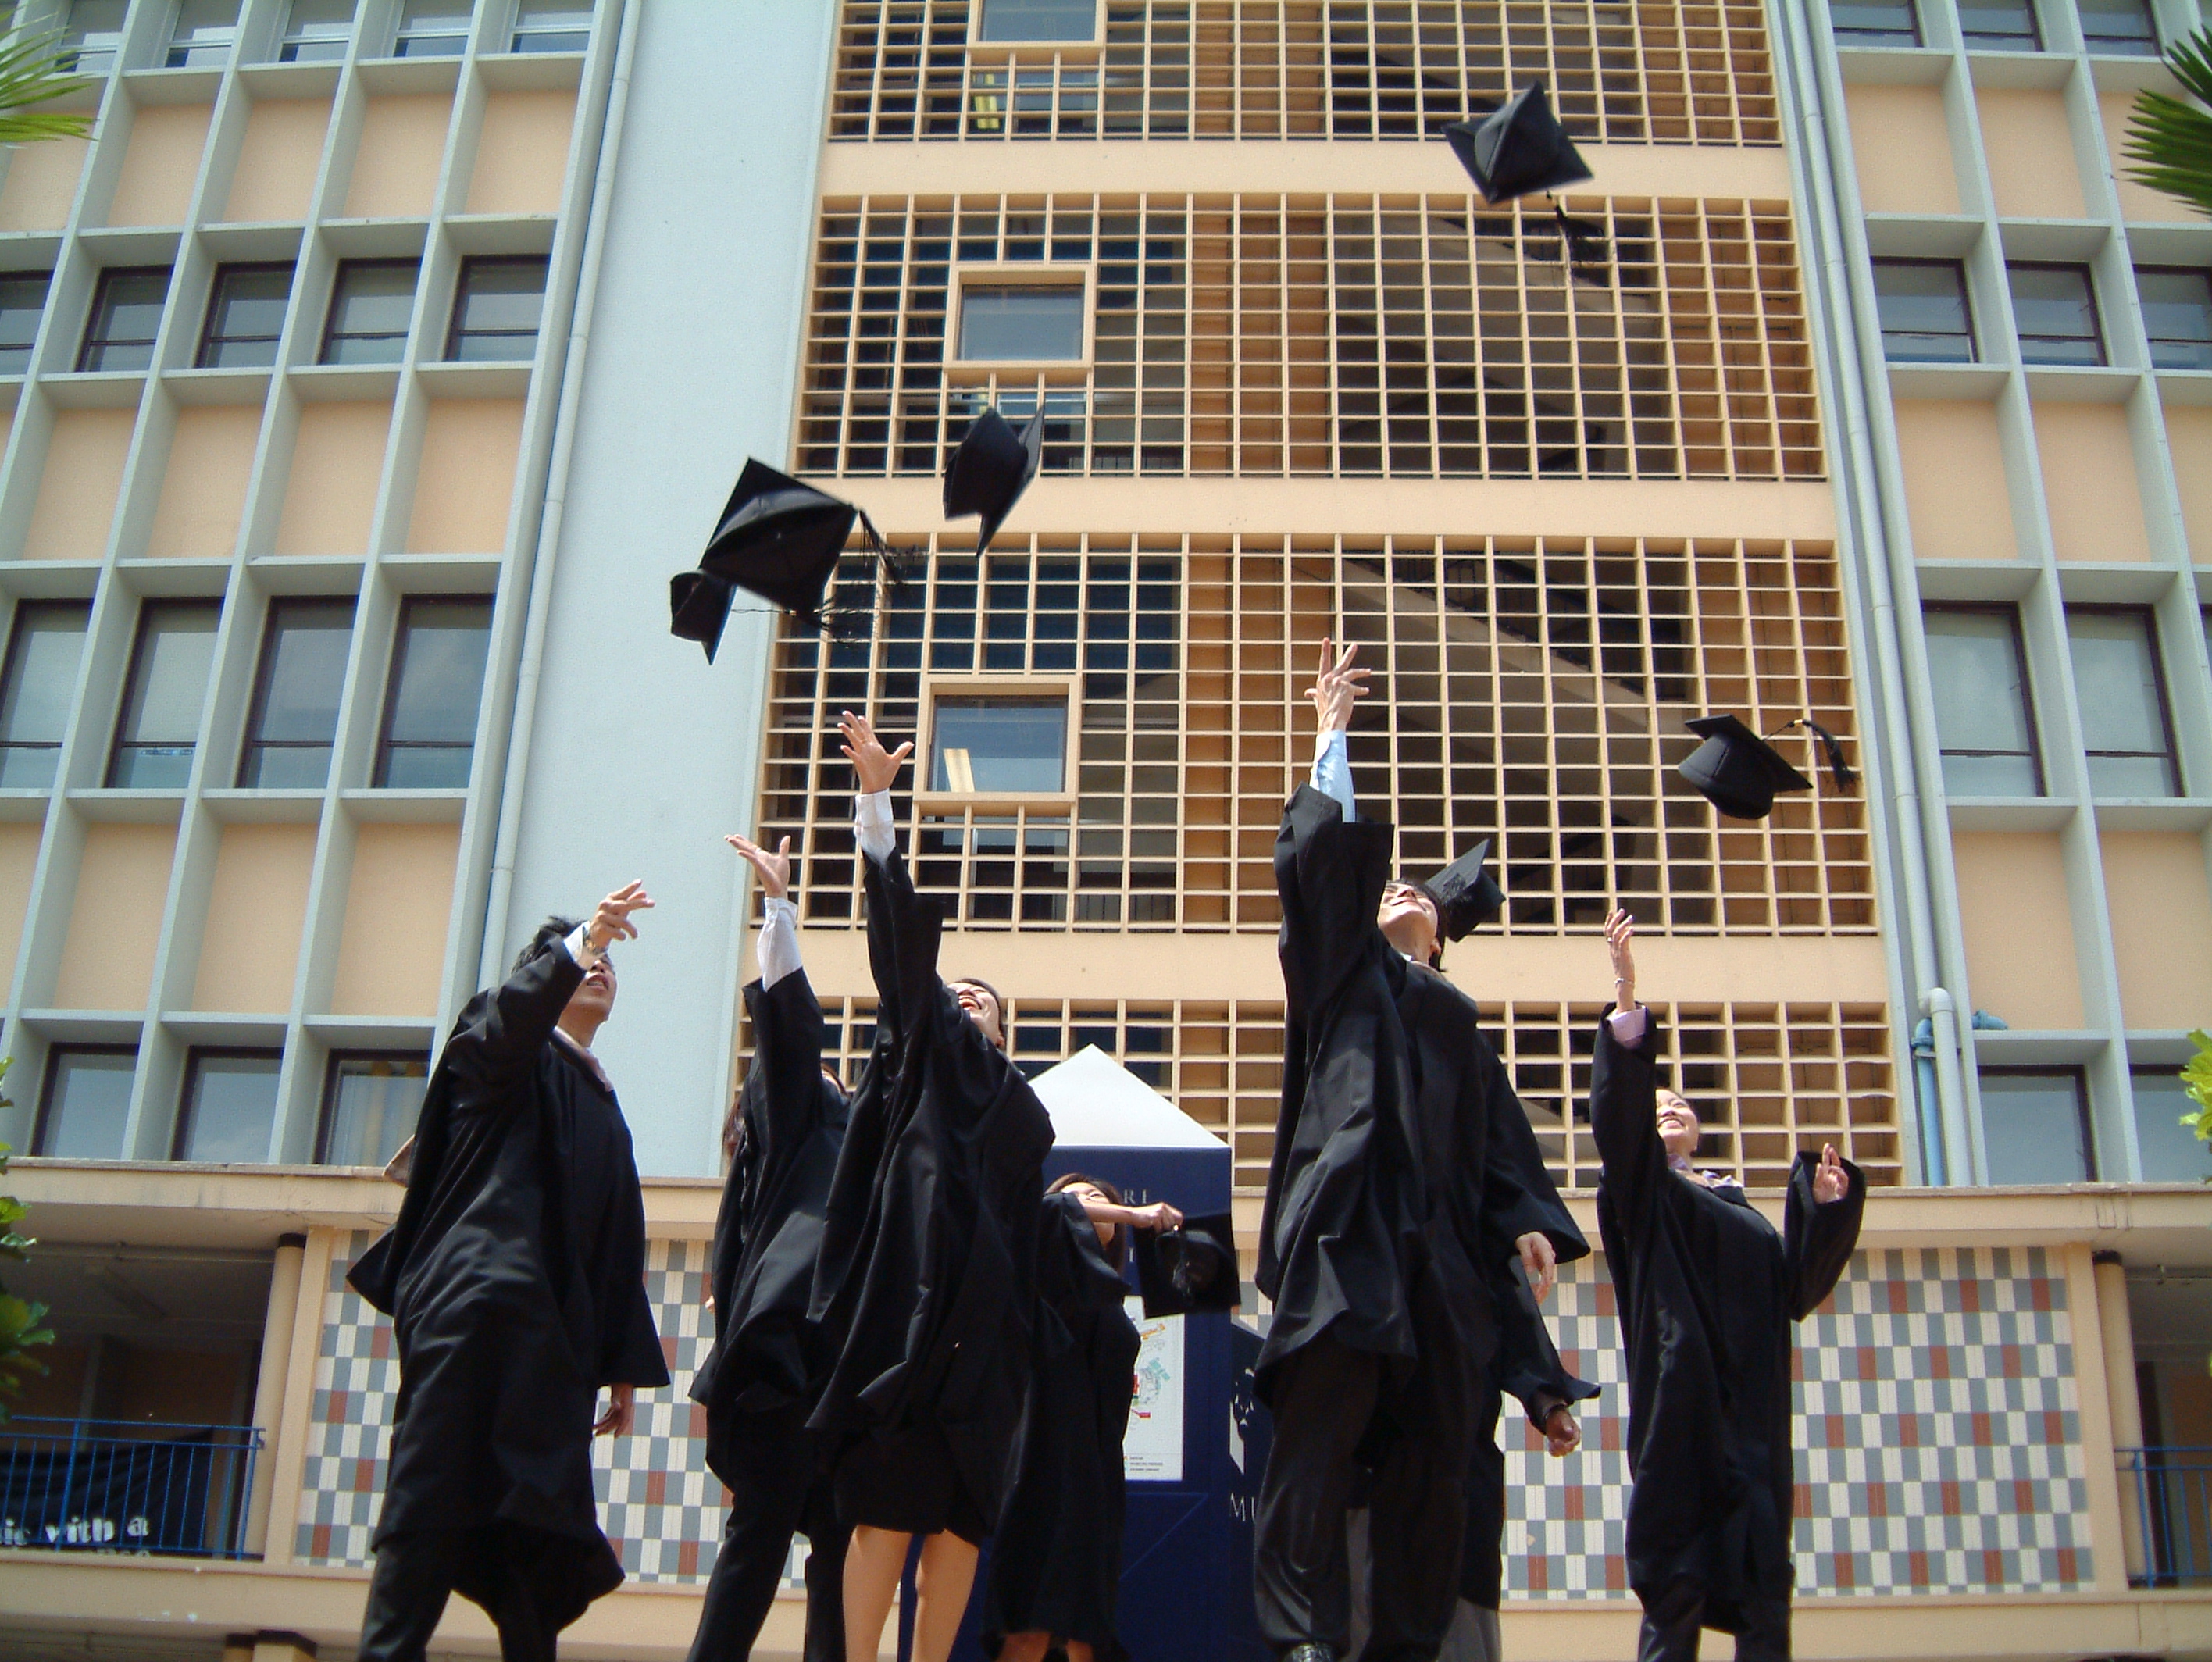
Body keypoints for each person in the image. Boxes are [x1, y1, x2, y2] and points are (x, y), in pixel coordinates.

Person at [1255, 642, 1582, 1662]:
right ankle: (1302, 1642)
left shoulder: (1457, 1027)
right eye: (1386, 886)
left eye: (1420, 896)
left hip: (1438, 1285)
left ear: (1443, 934)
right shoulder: (1340, 983)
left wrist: (1537, 1371)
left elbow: (1500, 1186)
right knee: (1310, 1463)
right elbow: (1319, 880)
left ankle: (1404, 1647)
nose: (1400, 891)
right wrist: (1329, 743)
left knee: (1436, 1479)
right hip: (1349, 1252)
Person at [348, 883, 669, 1662]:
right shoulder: (498, 1045)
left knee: (539, 1547)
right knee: (430, 1508)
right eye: (587, 957)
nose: (601, 967)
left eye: (607, 962)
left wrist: (619, 1366)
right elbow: (509, 1026)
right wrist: (580, 939)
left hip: (553, 1353)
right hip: (473, 1313)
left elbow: (615, 1247)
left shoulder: (605, 1106)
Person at [808, 710, 1055, 1662]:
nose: (968, 998)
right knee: (885, 1511)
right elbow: (907, 956)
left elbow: (1035, 1235)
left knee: (957, 1526)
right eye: (960, 994)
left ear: (1007, 1031)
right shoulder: (929, 1052)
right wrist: (877, 806)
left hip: (986, 1347)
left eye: (985, 999)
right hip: (907, 1318)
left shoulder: (1029, 1119)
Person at [1593, 909, 1865, 1662]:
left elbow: (1796, 1290)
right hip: (1683, 1409)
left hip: (1752, 1413)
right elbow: (1619, 1131)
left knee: (1762, 1589)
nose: (1671, 1105)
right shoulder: (1643, 1196)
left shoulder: (1742, 1211)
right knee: (1678, 1583)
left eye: (1681, 1102)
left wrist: (1828, 1208)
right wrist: (1625, 996)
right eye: (1658, 1104)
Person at [686, 834, 854, 1662]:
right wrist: (780, 907)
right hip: (792, 1357)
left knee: (836, 1557)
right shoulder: (793, 1124)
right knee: (759, 1541)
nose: (832, 1075)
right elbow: (791, 1030)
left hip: (852, 1362)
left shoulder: (858, 1133)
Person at [984, 1174, 1183, 1662]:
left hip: (1096, 1475)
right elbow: (1045, 1208)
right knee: (1028, 1622)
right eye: (1081, 1198)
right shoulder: (1040, 1274)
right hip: (1040, 1465)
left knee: (1087, 1630)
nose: (1089, 1204)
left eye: (1101, 1200)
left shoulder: (1111, 1301)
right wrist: (1133, 1213)